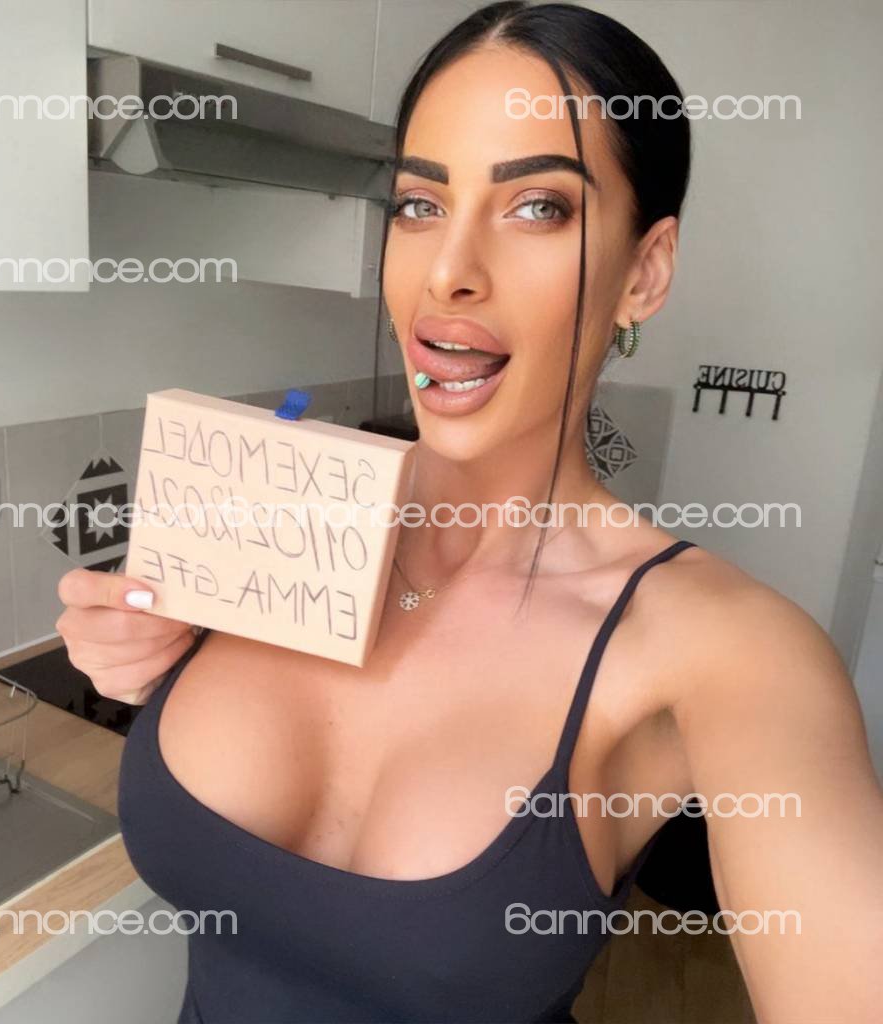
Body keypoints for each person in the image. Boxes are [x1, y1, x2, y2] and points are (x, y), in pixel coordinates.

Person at [56, 3, 883, 1021]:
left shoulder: (730, 653)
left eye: (538, 207)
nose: (448, 272)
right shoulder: (286, 509)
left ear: (644, 271)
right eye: (418, 204)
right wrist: (132, 651)